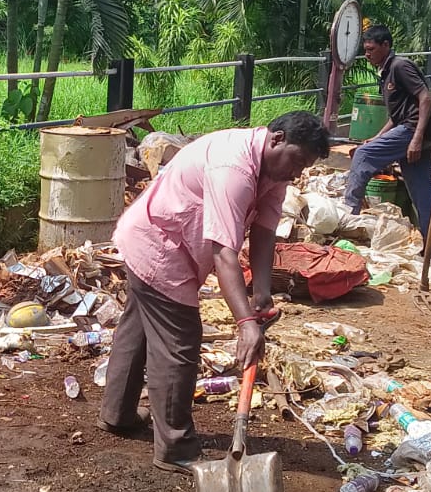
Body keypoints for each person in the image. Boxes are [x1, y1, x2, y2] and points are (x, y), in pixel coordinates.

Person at [100, 112, 331, 473]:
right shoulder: (234, 169)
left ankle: (118, 413)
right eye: (298, 162)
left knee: (139, 328)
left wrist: (262, 294)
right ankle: (176, 448)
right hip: (159, 246)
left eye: (304, 167)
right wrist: (245, 323)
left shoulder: (272, 170)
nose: (296, 173)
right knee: (180, 343)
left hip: (163, 241)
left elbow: (265, 231)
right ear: (277, 139)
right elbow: (224, 252)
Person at [343, 24, 431, 239]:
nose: (367, 55)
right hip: (410, 129)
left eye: (371, 49)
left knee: (363, 155)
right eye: (365, 50)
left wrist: (416, 138)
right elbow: (396, 116)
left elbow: (425, 97)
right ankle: (430, 245)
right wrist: (377, 137)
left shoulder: (399, 66)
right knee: (421, 190)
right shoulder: (386, 71)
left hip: (412, 129)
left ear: (386, 45)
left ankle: (348, 216)